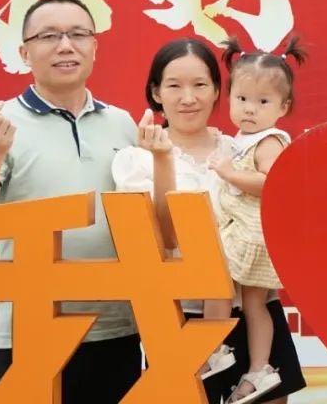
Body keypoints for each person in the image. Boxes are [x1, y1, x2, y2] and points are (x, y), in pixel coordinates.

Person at [0, 0, 175, 404]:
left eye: (78, 34)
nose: (65, 46)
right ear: (24, 53)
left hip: (117, 330)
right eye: (49, 36)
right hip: (32, 331)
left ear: (94, 48)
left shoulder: (121, 123)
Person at [112, 37, 306, 404]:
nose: (188, 97)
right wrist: (162, 160)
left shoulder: (243, 148)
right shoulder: (136, 159)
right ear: (155, 93)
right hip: (182, 318)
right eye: (174, 86)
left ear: (218, 91)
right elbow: (161, 237)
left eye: (200, 84)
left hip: (253, 310)